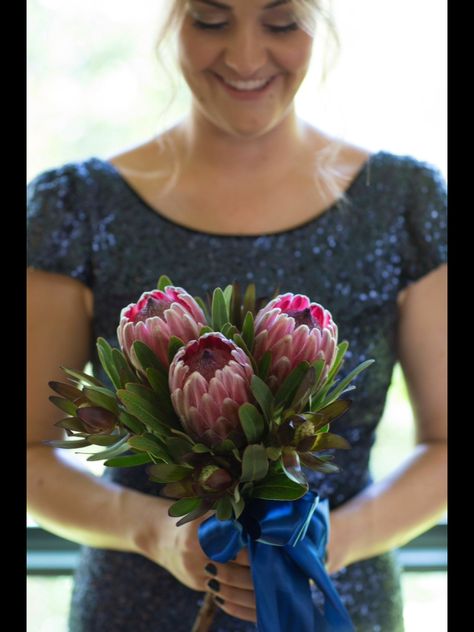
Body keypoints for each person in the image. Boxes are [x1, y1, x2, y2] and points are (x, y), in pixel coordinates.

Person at [27, 1, 447, 630]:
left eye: (280, 24)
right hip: (135, 605)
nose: (246, 58)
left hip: (338, 601)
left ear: (320, 24)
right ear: (172, 20)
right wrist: (156, 535)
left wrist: (329, 543)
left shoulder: (405, 204)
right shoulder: (77, 207)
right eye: (211, 20)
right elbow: (31, 446)